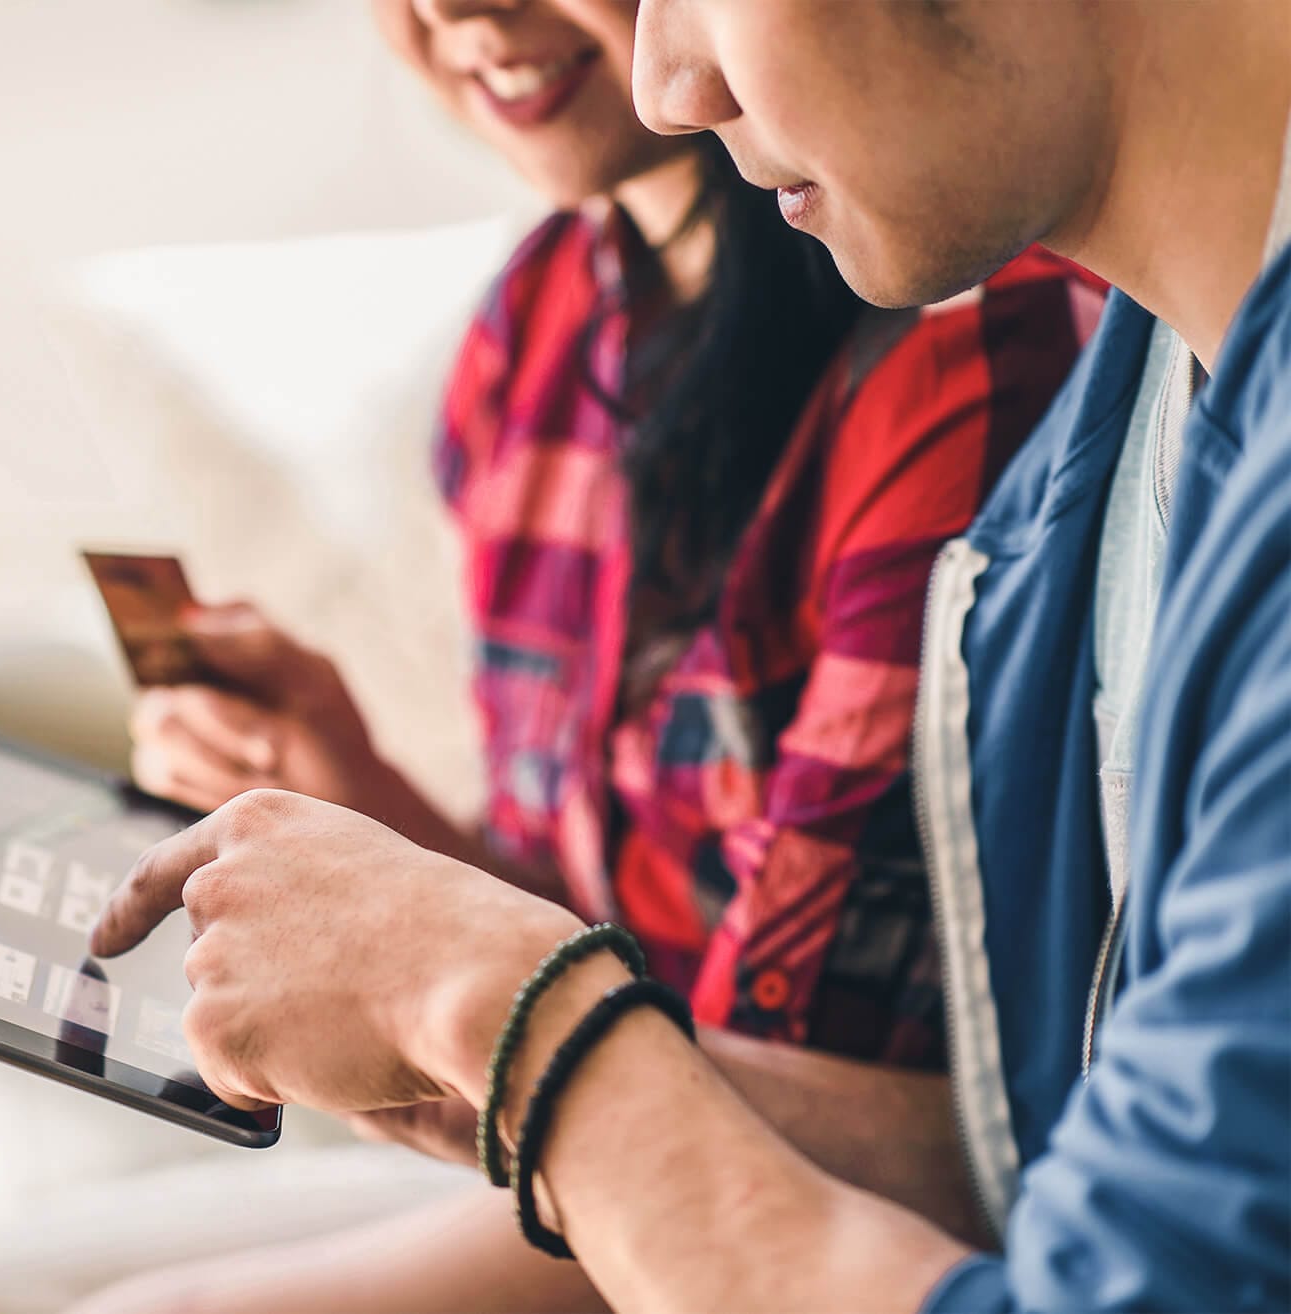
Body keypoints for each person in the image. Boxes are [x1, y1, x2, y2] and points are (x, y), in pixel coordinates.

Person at [86, 3, 1291, 1312]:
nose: (670, 87)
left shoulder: (1005, 407)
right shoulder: (1126, 440)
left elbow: (945, 1168)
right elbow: (1033, 1140)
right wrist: (403, 910)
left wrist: (489, 1003)